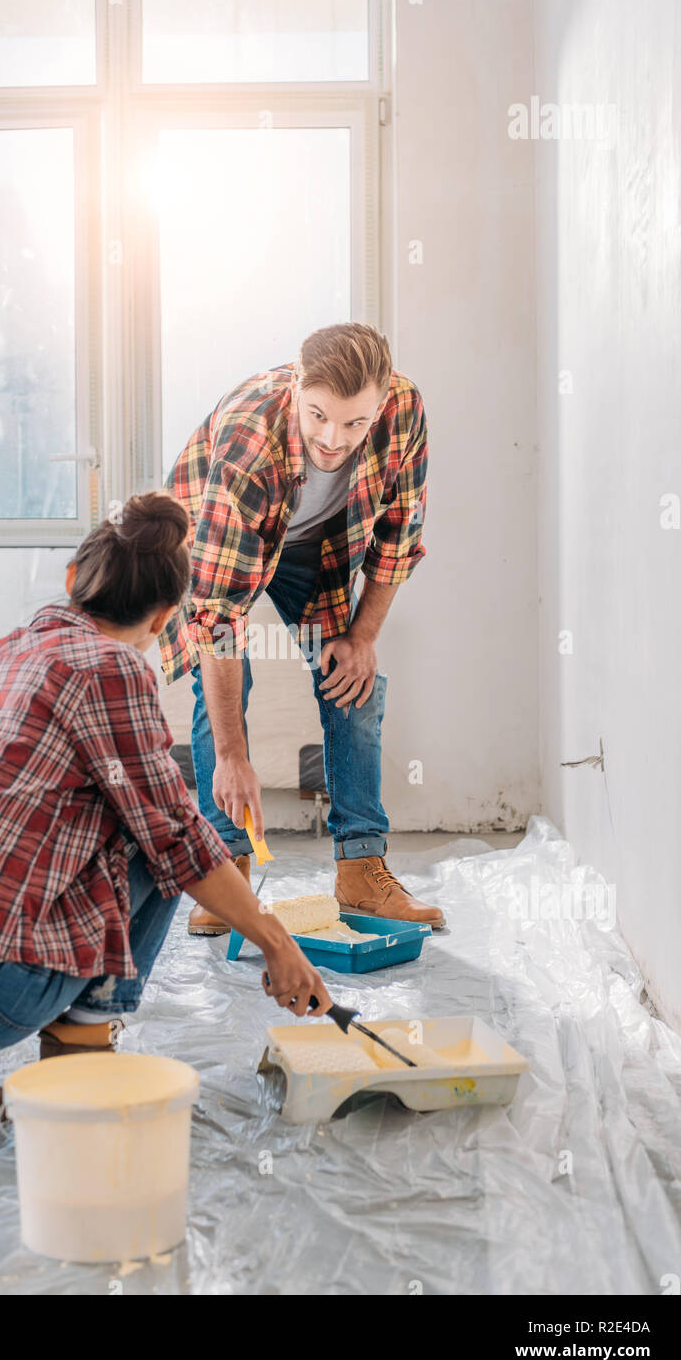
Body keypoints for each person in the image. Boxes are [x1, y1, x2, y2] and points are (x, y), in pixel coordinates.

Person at [0, 492, 332, 1124]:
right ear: (163, 620)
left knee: (97, 814)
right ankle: (81, 1055)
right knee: (158, 835)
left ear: (73, 581)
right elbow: (178, 840)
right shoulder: (109, 670)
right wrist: (276, 942)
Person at [162, 323, 445, 936]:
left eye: (354, 424)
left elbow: (398, 538)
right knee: (228, 691)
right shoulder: (249, 439)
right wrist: (234, 758)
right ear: (297, 385)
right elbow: (217, 623)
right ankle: (224, 876)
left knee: (355, 683)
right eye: (318, 416)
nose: (332, 439)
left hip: (313, 545)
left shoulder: (404, 410)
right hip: (217, 535)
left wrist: (361, 638)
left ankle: (362, 871)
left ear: (381, 402)